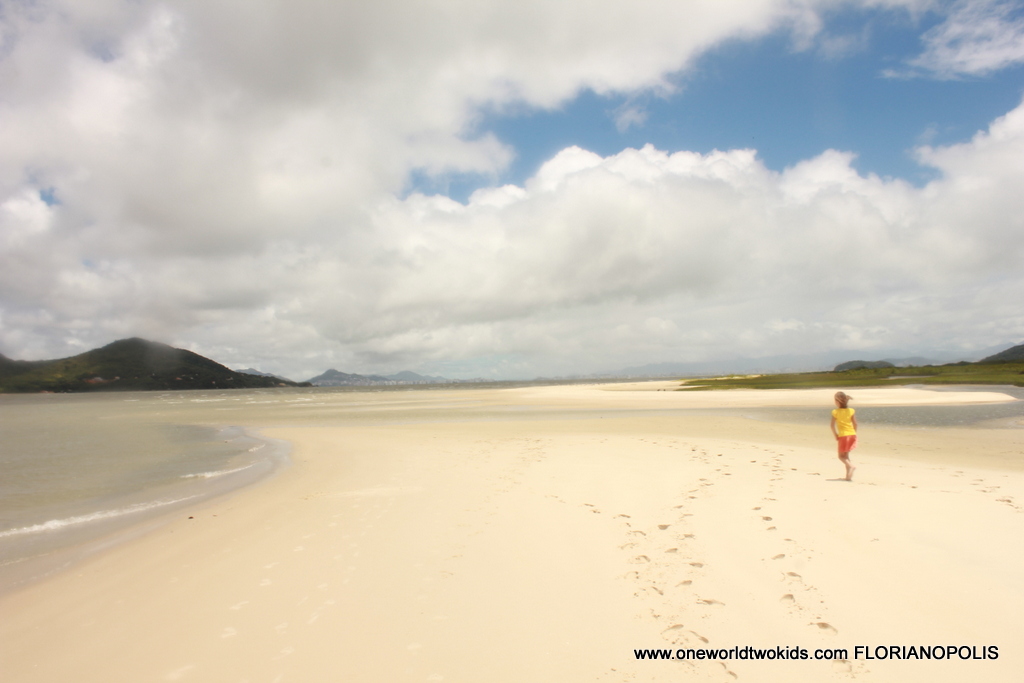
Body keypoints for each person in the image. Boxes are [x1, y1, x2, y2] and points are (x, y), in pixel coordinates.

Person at [830, 391, 857, 481]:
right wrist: (854, 433)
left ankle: (851, 466)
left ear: (838, 402)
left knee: (841, 456)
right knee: (846, 456)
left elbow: (832, 425)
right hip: (852, 434)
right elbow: (855, 424)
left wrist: (836, 435)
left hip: (843, 435)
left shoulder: (835, 412)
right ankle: (848, 476)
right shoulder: (851, 411)